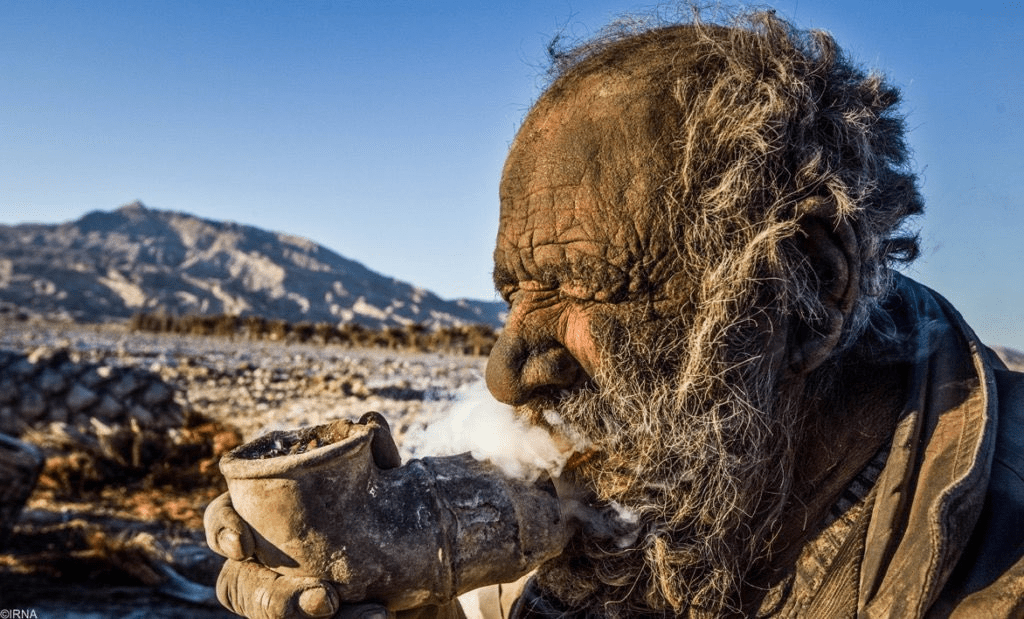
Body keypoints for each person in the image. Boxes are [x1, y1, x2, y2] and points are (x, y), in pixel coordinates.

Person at [205, 9, 1024, 618]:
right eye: (513, 290)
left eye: (580, 283)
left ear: (801, 288)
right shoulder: (625, 511)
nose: (504, 374)